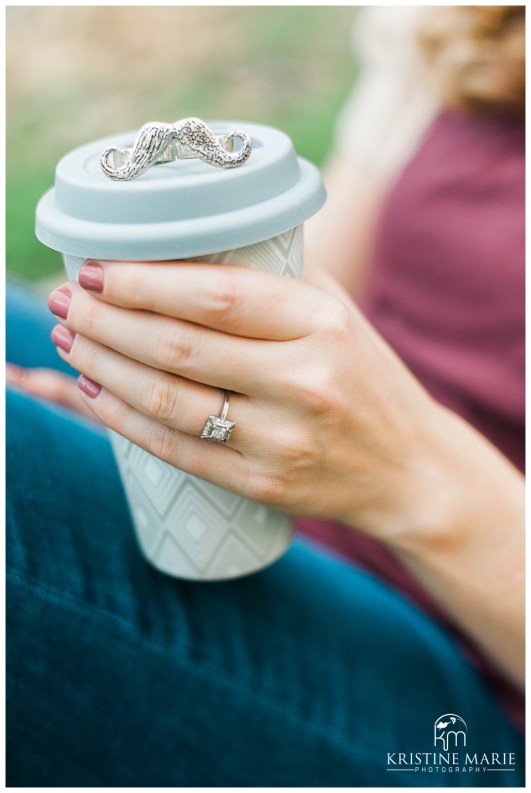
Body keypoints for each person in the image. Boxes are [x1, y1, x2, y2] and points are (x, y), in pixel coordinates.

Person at [6, 6, 524, 786]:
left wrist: (409, 472)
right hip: (283, 481)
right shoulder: (487, 23)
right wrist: (166, 395)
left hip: (470, 682)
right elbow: (313, 272)